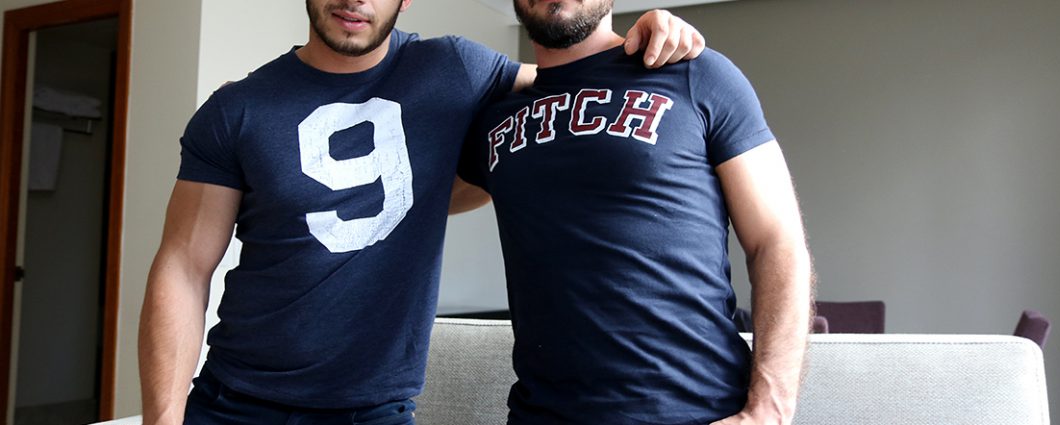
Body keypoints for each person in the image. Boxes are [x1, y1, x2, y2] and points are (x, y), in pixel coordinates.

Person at [136, 0, 706, 424]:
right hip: (233, 400)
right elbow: (183, 266)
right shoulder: (235, 109)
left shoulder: (453, 66)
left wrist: (646, 35)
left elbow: (571, 84)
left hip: (374, 409)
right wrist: (164, 418)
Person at [456, 0, 814, 424]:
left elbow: (776, 240)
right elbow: (419, 196)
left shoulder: (695, 74)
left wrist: (768, 411)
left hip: (697, 411)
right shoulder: (497, 117)